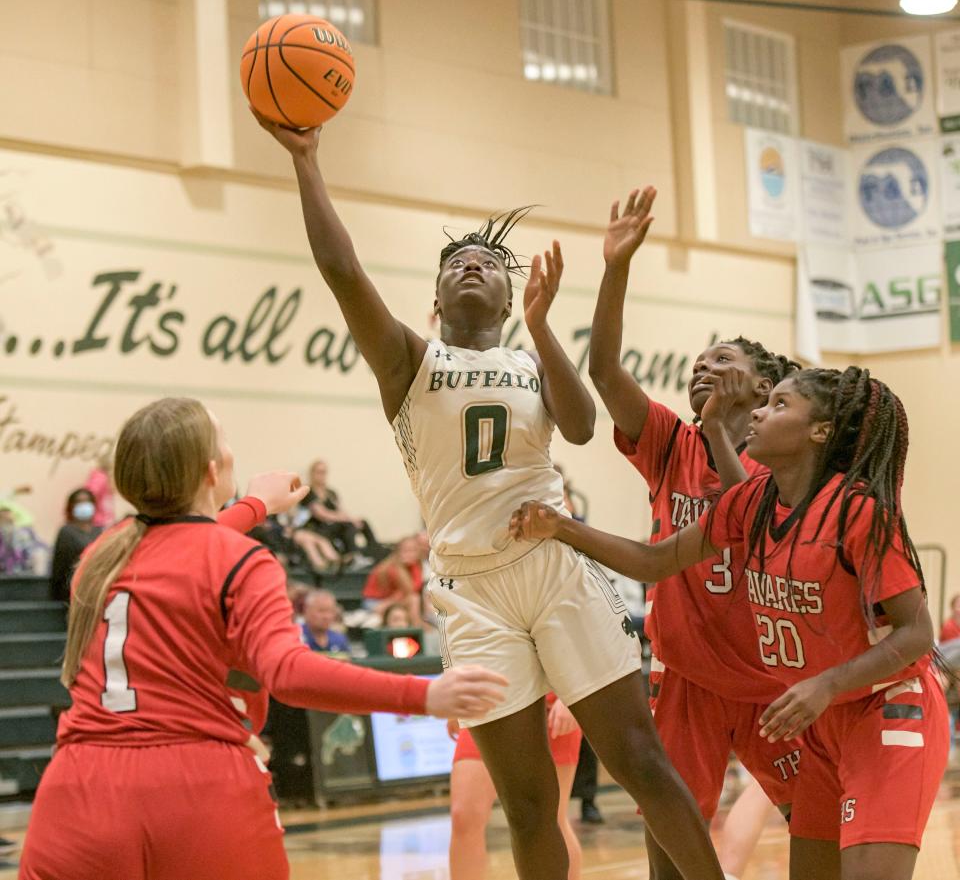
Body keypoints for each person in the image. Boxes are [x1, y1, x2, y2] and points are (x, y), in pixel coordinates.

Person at [253, 109, 727, 880]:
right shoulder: (409, 358)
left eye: (489, 262)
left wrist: (542, 327)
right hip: (471, 592)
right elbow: (343, 271)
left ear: (509, 297)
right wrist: (307, 161)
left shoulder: (531, 358)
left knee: (640, 760)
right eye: (456, 263)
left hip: (554, 566)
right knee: (529, 804)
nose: (472, 265)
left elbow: (577, 426)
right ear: (437, 298)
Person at [18, 397, 507, 880]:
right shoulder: (244, 560)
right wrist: (425, 693)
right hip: (195, 788)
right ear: (213, 471)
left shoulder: (102, 554)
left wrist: (255, 506)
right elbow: (288, 672)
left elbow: (179, 546)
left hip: (77, 791)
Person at [511, 366, 949, 880]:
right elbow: (655, 562)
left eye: (780, 405)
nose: (760, 412)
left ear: (821, 432)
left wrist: (825, 684)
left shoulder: (859, 511)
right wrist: (560, 527)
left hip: (886, 709)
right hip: (823, 723)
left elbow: (918, 633)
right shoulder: (752, 503)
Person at [588, 187, 803, 879]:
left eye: (719, 358)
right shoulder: (667, 443)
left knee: (826, 831)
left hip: (776, 682)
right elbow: (603, 370)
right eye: (696, 362)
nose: (700, 367)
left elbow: (756, 514)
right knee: (670, 857)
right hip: (685, 681)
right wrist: (616, 266)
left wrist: (717, 429)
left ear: (763, 384)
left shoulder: (791, 461)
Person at [448, 694, 582, 880]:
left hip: (549, 700)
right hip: (488, 701)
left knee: (550, 820)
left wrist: (571, 698)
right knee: (464, 815)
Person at [302, 459, 379, 566]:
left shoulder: (331, 492)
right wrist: (347, 520)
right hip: (318, 528)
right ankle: (353, 556)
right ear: (312, 473)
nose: (322, 475)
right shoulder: (308, 492)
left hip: (335, 525)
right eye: (319, 472)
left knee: (362, 522)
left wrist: (352, 519)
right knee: (347, 525)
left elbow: (341, 510)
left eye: (324, 472)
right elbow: (321, 514)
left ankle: (375, 551)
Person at [49, 489, 103, 602]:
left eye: (87, 501)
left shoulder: (100, 531)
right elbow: (59, 566)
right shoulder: (66, 531)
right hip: (74, 592)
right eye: (79, 502)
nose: (84, 505)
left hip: (98, 590)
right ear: (71, 506)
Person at [363, 536, 424, 625]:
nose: (409, 554)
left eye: (413, 550)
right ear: (398, 552)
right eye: (405, 550)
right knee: (413, 599)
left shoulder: (415, 566)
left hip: (390, 601)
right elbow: (407, 591)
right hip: (374, 602)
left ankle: (417, 626)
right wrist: (401, 568)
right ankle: (417, 626)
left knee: (414, 599)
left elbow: (415, 588)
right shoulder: (390, 567)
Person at [300, 589, 351, 654]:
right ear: (306, 610)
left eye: (330, 611)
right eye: (321, 611)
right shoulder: (296, 637)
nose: (326, 617)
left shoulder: (340, 639)